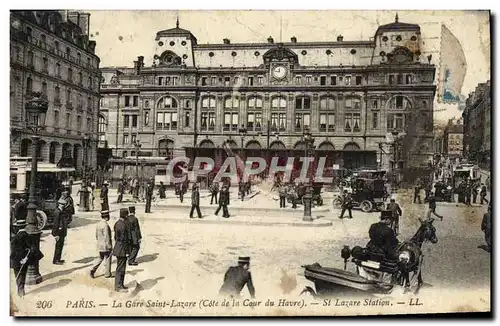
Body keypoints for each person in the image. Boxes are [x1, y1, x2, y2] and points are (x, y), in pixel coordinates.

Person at [10, 220, 44, 297]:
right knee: (23, 273)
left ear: (16, 228)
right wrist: (26, 258)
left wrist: (19, 259)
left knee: (18, 274)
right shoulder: (29, 236)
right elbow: (33, 249)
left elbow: (14, 252)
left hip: (17, 260)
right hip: (25, 260)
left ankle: (20, 289)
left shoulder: (15, 238)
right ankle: (22, 290)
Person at [52, 190, 73, 265]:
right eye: (63, 205)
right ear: (60, 205)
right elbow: (56, 224)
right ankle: (56, 260)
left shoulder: (60, 211)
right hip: (59, 232)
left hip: (61, 232)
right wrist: (56, 234)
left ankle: (58, 258)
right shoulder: (57, 212)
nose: (64, 206)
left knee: (60, 245)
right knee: (58, 246)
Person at [90, 210, 113, 279]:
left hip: (100, 245)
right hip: (105, 245)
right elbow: (107, 237)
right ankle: (107, 273)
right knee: (108, 258)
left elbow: (96, 235)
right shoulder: (105, 225)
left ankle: (93, 269)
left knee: (100, 258)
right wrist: (109, 246)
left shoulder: (99, 224)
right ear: (106, 217)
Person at [113, 208, 131, 292]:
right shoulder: (123, 225)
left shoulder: (117, 223)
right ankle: (118, 286)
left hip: (118, 248)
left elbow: (115, 237)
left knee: (121, 267)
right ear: (125, 215)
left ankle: (121, 285)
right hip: (122, 249)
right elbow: (124, 239)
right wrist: (127, 251)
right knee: (121, 268)